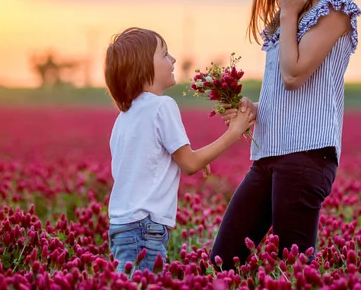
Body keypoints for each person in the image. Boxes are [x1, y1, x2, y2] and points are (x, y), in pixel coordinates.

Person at [209, 0, 361, 271]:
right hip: (268, 154)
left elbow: (294, 74)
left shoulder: (336, 9)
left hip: (306, 155)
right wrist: (255, 108)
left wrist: (290, 10)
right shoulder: (285, 21)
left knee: (293, 271)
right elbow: (287, 92)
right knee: (222, 260)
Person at [104, 27, 255, 275]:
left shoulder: (124, 116)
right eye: (164, 54)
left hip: (122, 226)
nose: (173, 60)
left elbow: (152, 159)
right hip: (146, 228)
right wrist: (234, 131)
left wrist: (193, 155)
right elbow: (190, 164)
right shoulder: (163, 106)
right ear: (143, 67)